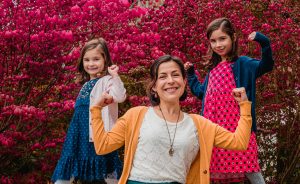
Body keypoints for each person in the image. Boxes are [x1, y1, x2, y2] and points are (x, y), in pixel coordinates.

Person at [90, 55, 252, 184]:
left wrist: (244, 106)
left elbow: (239, 142)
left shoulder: (199, 125)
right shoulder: (136, 115)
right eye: (163, 76)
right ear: (153, 85)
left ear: (184, 81)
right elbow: (103, 146)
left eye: (175, 75)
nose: (170, 81)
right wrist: (96, 110)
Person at [185, 18, 274, 184]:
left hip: (239, 133)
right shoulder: (213, 71)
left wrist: (263, 41)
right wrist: (191, 74)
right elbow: (200, 92)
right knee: (210, 174)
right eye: (213, 41)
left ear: (233, 37)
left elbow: (267, 65)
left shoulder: (243, 64)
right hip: (215, 134)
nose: (218, 44)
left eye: (222, 39)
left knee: (252, 172)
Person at [52, 38, 126, 184]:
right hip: (78, 135)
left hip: (96, 136)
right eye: (87, 60)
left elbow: (120, 96)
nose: (91, 64)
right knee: (66, 172)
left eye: (96, 59)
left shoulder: (106, 81)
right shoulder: (85, 84)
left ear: (105, 60)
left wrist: (115, 76)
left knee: (106, 172)